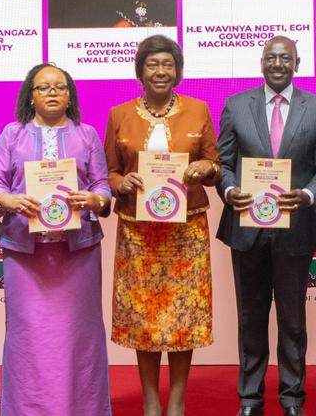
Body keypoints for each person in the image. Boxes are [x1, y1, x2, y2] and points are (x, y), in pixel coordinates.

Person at [216, 35, 316, 416]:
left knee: (292, 320)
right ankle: (249, 399)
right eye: (271, 58)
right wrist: (229, 189)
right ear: (261, 62)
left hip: (296, 228)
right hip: (246, 230)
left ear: (297, 63)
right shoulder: (236, 106)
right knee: (250, 318)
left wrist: (309, 196)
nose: (278, 64)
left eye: (286, 58)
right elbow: (224, 163)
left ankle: (292, 398)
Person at [0, 63, 112, 415]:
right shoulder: (12, 134)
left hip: (78, 255)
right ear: (31, 96)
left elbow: (101, 185)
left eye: (60, 87)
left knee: (79, 338)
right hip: (26, 256)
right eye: (43, 87)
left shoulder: (87, 134)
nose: (52, 92)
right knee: (29, 339)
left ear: (70, 96)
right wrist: (7, 200)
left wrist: (97, 200)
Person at [104, 34, 219, 416]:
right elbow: (110, 173)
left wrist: (205, 168)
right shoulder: (119, 114)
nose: (160, 71)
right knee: (143, 317)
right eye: (152, 64)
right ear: (140, 70)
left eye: (167, 64)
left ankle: (177, 402)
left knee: (183, 317)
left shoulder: (199, 109)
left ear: (178, 71)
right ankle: (151, 400)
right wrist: (123, 184)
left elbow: (215, 167)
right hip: (138, 231)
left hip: (186, 230)